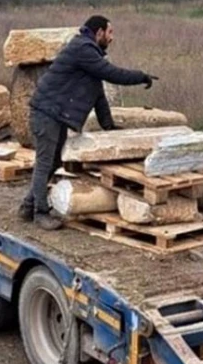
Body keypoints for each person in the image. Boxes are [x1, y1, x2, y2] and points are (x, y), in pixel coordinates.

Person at [19, 15, 157, 230]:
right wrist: (140, 76)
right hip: (46, 113)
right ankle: (40, 212)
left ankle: (28, 205)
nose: (112, 37)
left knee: (54, 162)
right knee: (45, 163)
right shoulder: (82, 48)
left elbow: (97, 92)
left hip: (54, 115)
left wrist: (108, 125)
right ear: (99, 32)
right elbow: (111, 74)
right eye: (110, 32)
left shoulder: (88, 53)